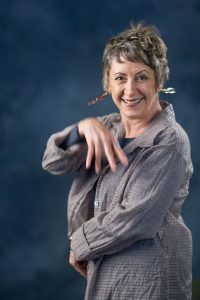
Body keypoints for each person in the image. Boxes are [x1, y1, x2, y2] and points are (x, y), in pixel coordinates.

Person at [42, 23, 193, 299]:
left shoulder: (170, 141)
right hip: (106, 272)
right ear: (107, 84)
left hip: (150, 278)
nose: (130, 89)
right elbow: (53, 163)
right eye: (120, 78)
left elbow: (137, 217)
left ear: (159, 81)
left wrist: (79, 244)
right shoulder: (106, 127)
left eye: (142, 77)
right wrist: (80, 129)